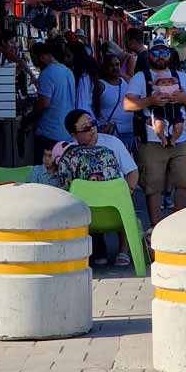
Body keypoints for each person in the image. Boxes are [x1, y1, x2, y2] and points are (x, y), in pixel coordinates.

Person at [124, 40, 186, 227]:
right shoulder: (141, 78)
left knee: (184, 181)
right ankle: (156, 228)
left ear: (170, 54)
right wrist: (149, 100)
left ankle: (175, 224)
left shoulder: (181, 77)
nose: (160, 57)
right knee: (153, 187)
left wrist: (184, 98)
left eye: (163, 52)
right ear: (149, 55)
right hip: (151, 140)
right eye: (155, 53)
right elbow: (127, 105)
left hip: (179, 139)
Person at [62, 109, 138, 267]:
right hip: (85, 207)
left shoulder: (112, 143)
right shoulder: (68, 152)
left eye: (93, 124)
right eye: (85, 128)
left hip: (115, 203)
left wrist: (129, 190)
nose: (92, 129)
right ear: (73, 134)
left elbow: (132, 171)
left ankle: (123, 250)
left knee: (127, 200)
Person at [77, 51, 135, 152]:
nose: (115, 68)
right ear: (105, 67)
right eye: (111, 65)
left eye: (117, 65)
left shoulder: (126, 81)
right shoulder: (100, 85)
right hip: (111, 133)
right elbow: (92, 107)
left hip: (130, 132)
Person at [30, 42, 76, 161]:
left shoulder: (47, 73)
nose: (34, 63)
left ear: (42, 57)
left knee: (44, 174)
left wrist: (29, 119)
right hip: (66, 133)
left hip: (49, 134)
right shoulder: (67, 71)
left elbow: (44, 103)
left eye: (34, 59)